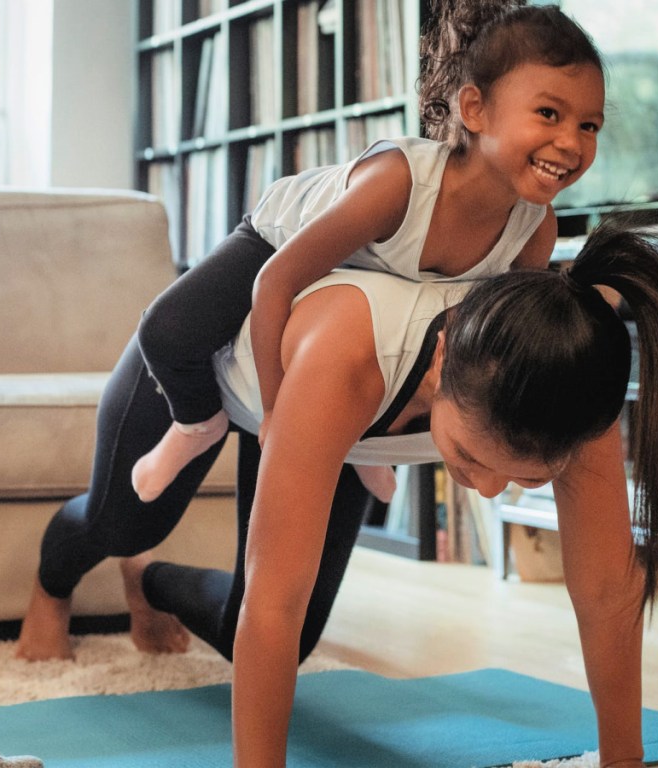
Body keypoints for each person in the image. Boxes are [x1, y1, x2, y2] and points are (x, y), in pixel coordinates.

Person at [17, 216, 658, 768]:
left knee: (278, 643)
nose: (498, 491)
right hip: (197, 378)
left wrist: (623, 759)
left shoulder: (568, 382)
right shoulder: (353, 358)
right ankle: (53, 586)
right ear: (442, 363)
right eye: (472, 459)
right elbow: (274, 595)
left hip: (322, 426)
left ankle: (150, 585)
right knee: (123, 523)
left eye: (528, 478)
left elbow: (604, 590)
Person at [129, 0, 608, 505]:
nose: (571, 142)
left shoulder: (534, 231)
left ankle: (363, 454)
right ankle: (195, 424)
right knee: (165, 330)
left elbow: (487, 351)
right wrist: (274, 414)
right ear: (475, 110)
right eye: (549, 114)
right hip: (279, 238)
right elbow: (275, 281)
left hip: (389, 294)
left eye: (589, 126)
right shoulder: (399, 184)